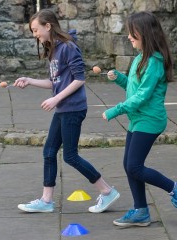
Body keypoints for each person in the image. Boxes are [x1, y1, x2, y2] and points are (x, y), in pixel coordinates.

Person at [14, 9, 120, 213]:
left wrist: (56, 98)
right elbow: (55, 82)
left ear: (48, 26)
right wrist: (29, 81)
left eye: (36, 30)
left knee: (70, 156)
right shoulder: (53, 48)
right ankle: (46, 201)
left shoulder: (68, 47)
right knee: (49, 152)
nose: (35, 34)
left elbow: (80, 79)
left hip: (73, 109)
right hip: (64, 108)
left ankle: (107, 191)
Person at [103, 11, 177, 227]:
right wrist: (119, 78)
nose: (128, 37)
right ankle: (141, 211)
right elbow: (133, 89)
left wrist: (115, 110)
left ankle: (173, 188)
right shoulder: (140, 58)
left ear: (145, 34)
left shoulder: (154, 63)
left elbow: (143, 97)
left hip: (150, 120)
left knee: (134, 166)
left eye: (132, 33)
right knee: (129, 164)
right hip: (138, 119)